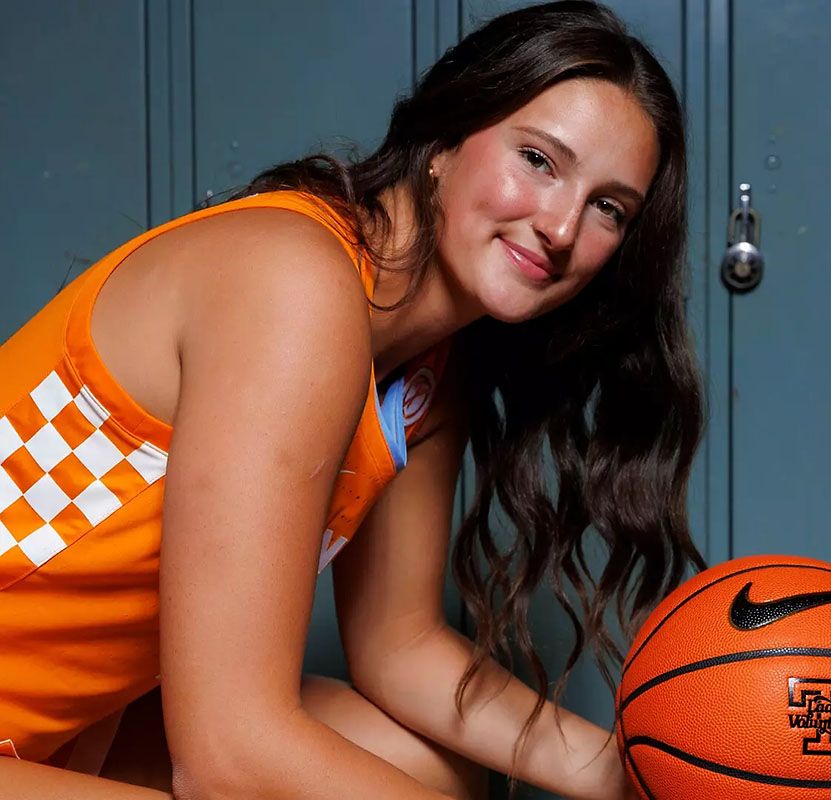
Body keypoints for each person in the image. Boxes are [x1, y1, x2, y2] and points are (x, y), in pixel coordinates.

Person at [0, 1, 705, 797]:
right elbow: (231, 752)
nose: (562, 225)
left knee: (420, 765)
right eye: (539, 160)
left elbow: (399, 646)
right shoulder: (293, 281)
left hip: (62, 730)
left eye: (609, 206)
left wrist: (641, 777)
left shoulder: (427, 370)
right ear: (444, 141)